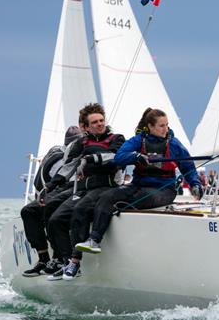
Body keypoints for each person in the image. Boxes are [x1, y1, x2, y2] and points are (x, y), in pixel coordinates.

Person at [69, 108, 202, 279]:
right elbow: (119, 157)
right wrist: (135, 156)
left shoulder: (174, 144)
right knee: (107, 196)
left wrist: (195, 184)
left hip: (163, 190)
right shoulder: (138, 141)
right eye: (161, 126)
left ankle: (104, 229)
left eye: (167, 125)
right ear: (150, 127)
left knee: (137, 198)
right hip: (138, 184)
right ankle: (94, 240)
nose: (165, 129)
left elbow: (188, 167)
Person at [46, 103, 125, 280]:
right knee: (55, 220)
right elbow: (69, 167)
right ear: (86, 127)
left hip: (106, 187)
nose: (100, 124)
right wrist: (52, 184)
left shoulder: (116, 139)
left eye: (101, 120)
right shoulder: (80, 143)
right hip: (83, 190)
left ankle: (75, 262)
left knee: (79, 212)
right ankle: (66, 262)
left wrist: (92, 158)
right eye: (95, 122)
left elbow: (116, 157)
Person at [19, 125, 83, 276]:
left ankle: (59, 258)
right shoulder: (61, 155)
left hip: (76, 191)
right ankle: (44, 259)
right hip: (61, 189)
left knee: (52, 208)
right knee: (28, 211)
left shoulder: (92, 147)